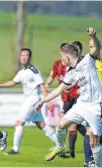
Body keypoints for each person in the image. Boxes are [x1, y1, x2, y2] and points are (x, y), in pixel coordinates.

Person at [35, 27, 102, 167]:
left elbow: (97, 47)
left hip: (96, 105)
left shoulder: (88, 60)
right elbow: (59, 90)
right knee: (60, 124)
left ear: (67, 57)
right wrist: (42, 100)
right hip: (82, 104)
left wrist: (94, 37)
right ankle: (60, 146)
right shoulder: (71, 73)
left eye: (61, 57)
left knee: (94, 141)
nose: (61, 60)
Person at [0, 48, 57, 155]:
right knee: (41, 124)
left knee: (19, 122)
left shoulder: (34, 70)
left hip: (33, 100)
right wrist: (0, 85)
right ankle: (60, 145)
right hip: (29, 100)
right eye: (22, 55)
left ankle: (15, 149)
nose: (24, 57)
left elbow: (41, 85)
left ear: (30, 57)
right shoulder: (21, 72)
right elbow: (13, 82)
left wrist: (47, 101)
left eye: (26, 55)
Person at [45, 42, 86, 158]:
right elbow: (53, 77)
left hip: (77, 98)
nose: (62, 55)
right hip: (65, 99)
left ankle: (69, 151)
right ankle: (68, 149)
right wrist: (47, 84)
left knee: (72, 124)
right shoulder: (58, 64)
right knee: (75, 125)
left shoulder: (80, 64)